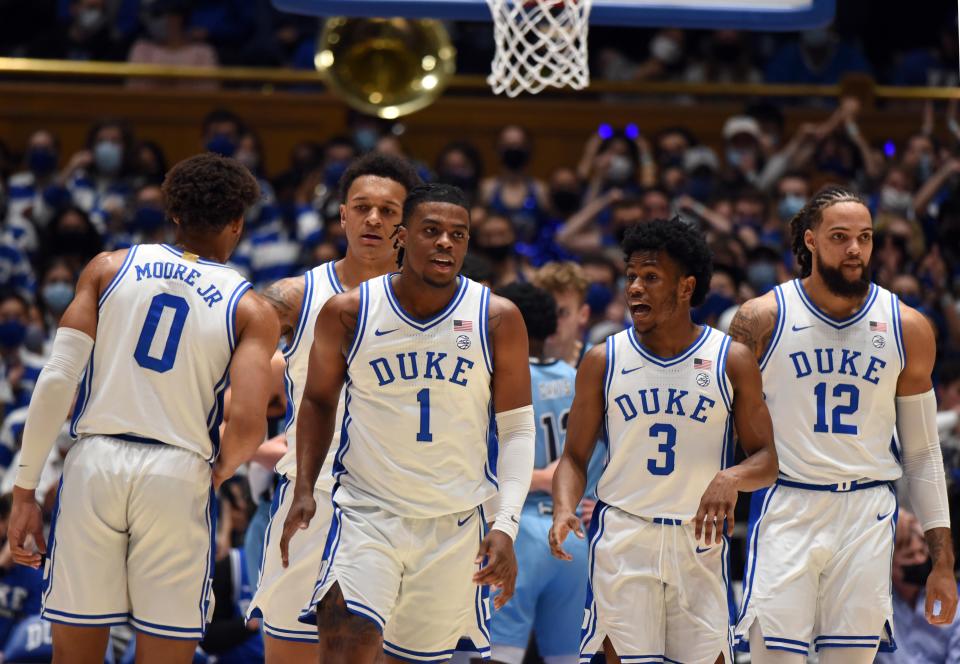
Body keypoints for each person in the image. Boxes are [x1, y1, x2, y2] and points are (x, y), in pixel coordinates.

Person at [7, 153, 280, 664]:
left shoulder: (108, 267)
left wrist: (25, 490)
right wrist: (213, 474)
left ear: (173, 213)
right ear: (239, 223)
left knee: (75, 652)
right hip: (177, 469)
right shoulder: (250, 308)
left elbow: (56, 380)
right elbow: (246, 425)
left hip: (94, 462)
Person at [279, 183, 535, 663]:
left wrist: (507, 524)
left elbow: (518, 431)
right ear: (401, 237)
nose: (445, 243)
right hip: (366, 513)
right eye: (431, 231)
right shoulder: (349, 311)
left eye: (458, 235)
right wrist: (304, 489)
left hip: (454, 522)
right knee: (344, 645)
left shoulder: (497, 318)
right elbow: (315, 402)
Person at [729, 186, 958, 662]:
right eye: (840, 237)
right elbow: (719, 431)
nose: (855, 249)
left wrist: (943, 559)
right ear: (810, 240)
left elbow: (921, 452)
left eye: (865, 237)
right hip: (787, 503)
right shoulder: (761, 319)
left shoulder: (907, 327)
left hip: (866, 514)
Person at [550, 217, 778, 664]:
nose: (635, 287)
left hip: (698, 542)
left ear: (686, 287)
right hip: (625, 539)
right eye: (631, 276)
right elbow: (575, 457)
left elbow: (768, 459)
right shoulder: (603, 360)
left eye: (651, 278)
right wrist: (563, 508)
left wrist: (731, 477)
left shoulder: (729, 360)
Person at [247, 151, 422, 664]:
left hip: (405, 501)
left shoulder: (439, 304)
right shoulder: (296, 297)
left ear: (407, 224)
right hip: (314, 494)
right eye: (362, 207)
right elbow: (218, 353)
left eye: (389, 211)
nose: (374, 219)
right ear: (342, 214)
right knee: (289, 655)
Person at [488, 281, 585, 664]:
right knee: (565, 658)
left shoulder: (503, 379)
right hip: (572, 533)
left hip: (517, 528)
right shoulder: (578, 377)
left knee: (500, 655)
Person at [875, 509, 960, 664]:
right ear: (890, 564)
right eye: (909, 555)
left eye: (922, 552)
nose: (919, 560)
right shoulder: (876, 603)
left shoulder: (952, 600)